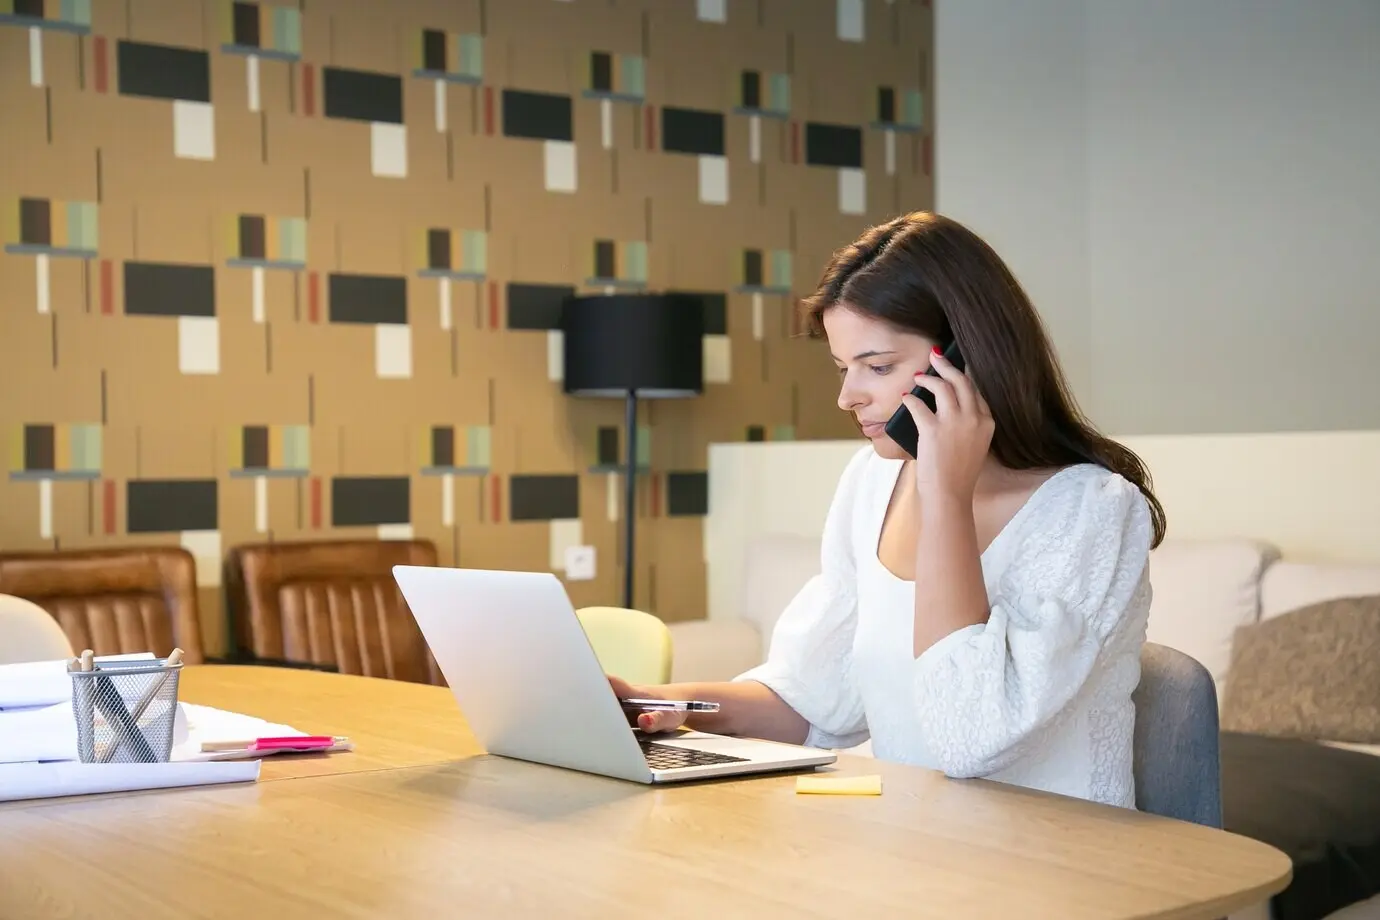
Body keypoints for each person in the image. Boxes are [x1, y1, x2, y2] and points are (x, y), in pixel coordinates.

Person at [611, 211, 1166, 808]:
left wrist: (946, 496)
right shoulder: (873, 483)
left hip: (1058, 872)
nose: (848, 396)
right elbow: (816, 701)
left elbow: (970, 737)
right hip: (917, 852)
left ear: (968, 356)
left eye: (877, 367)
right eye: (844, 367)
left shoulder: (1093, 512)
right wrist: (656, 703)